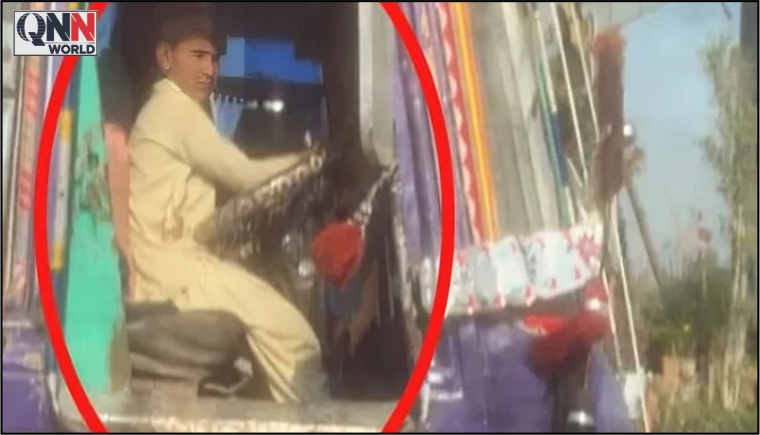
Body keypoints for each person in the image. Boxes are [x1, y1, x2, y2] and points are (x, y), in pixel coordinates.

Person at [127, 10, 329, 403]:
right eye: (197, 56)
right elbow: (242, 174)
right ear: (165, 57)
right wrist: (309, 160)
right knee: (295, 337)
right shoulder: (173, 109)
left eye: (214, 59)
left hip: (170, 262)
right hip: (174, 268)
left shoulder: (167, 111)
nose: (209, 69)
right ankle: (314, 416)